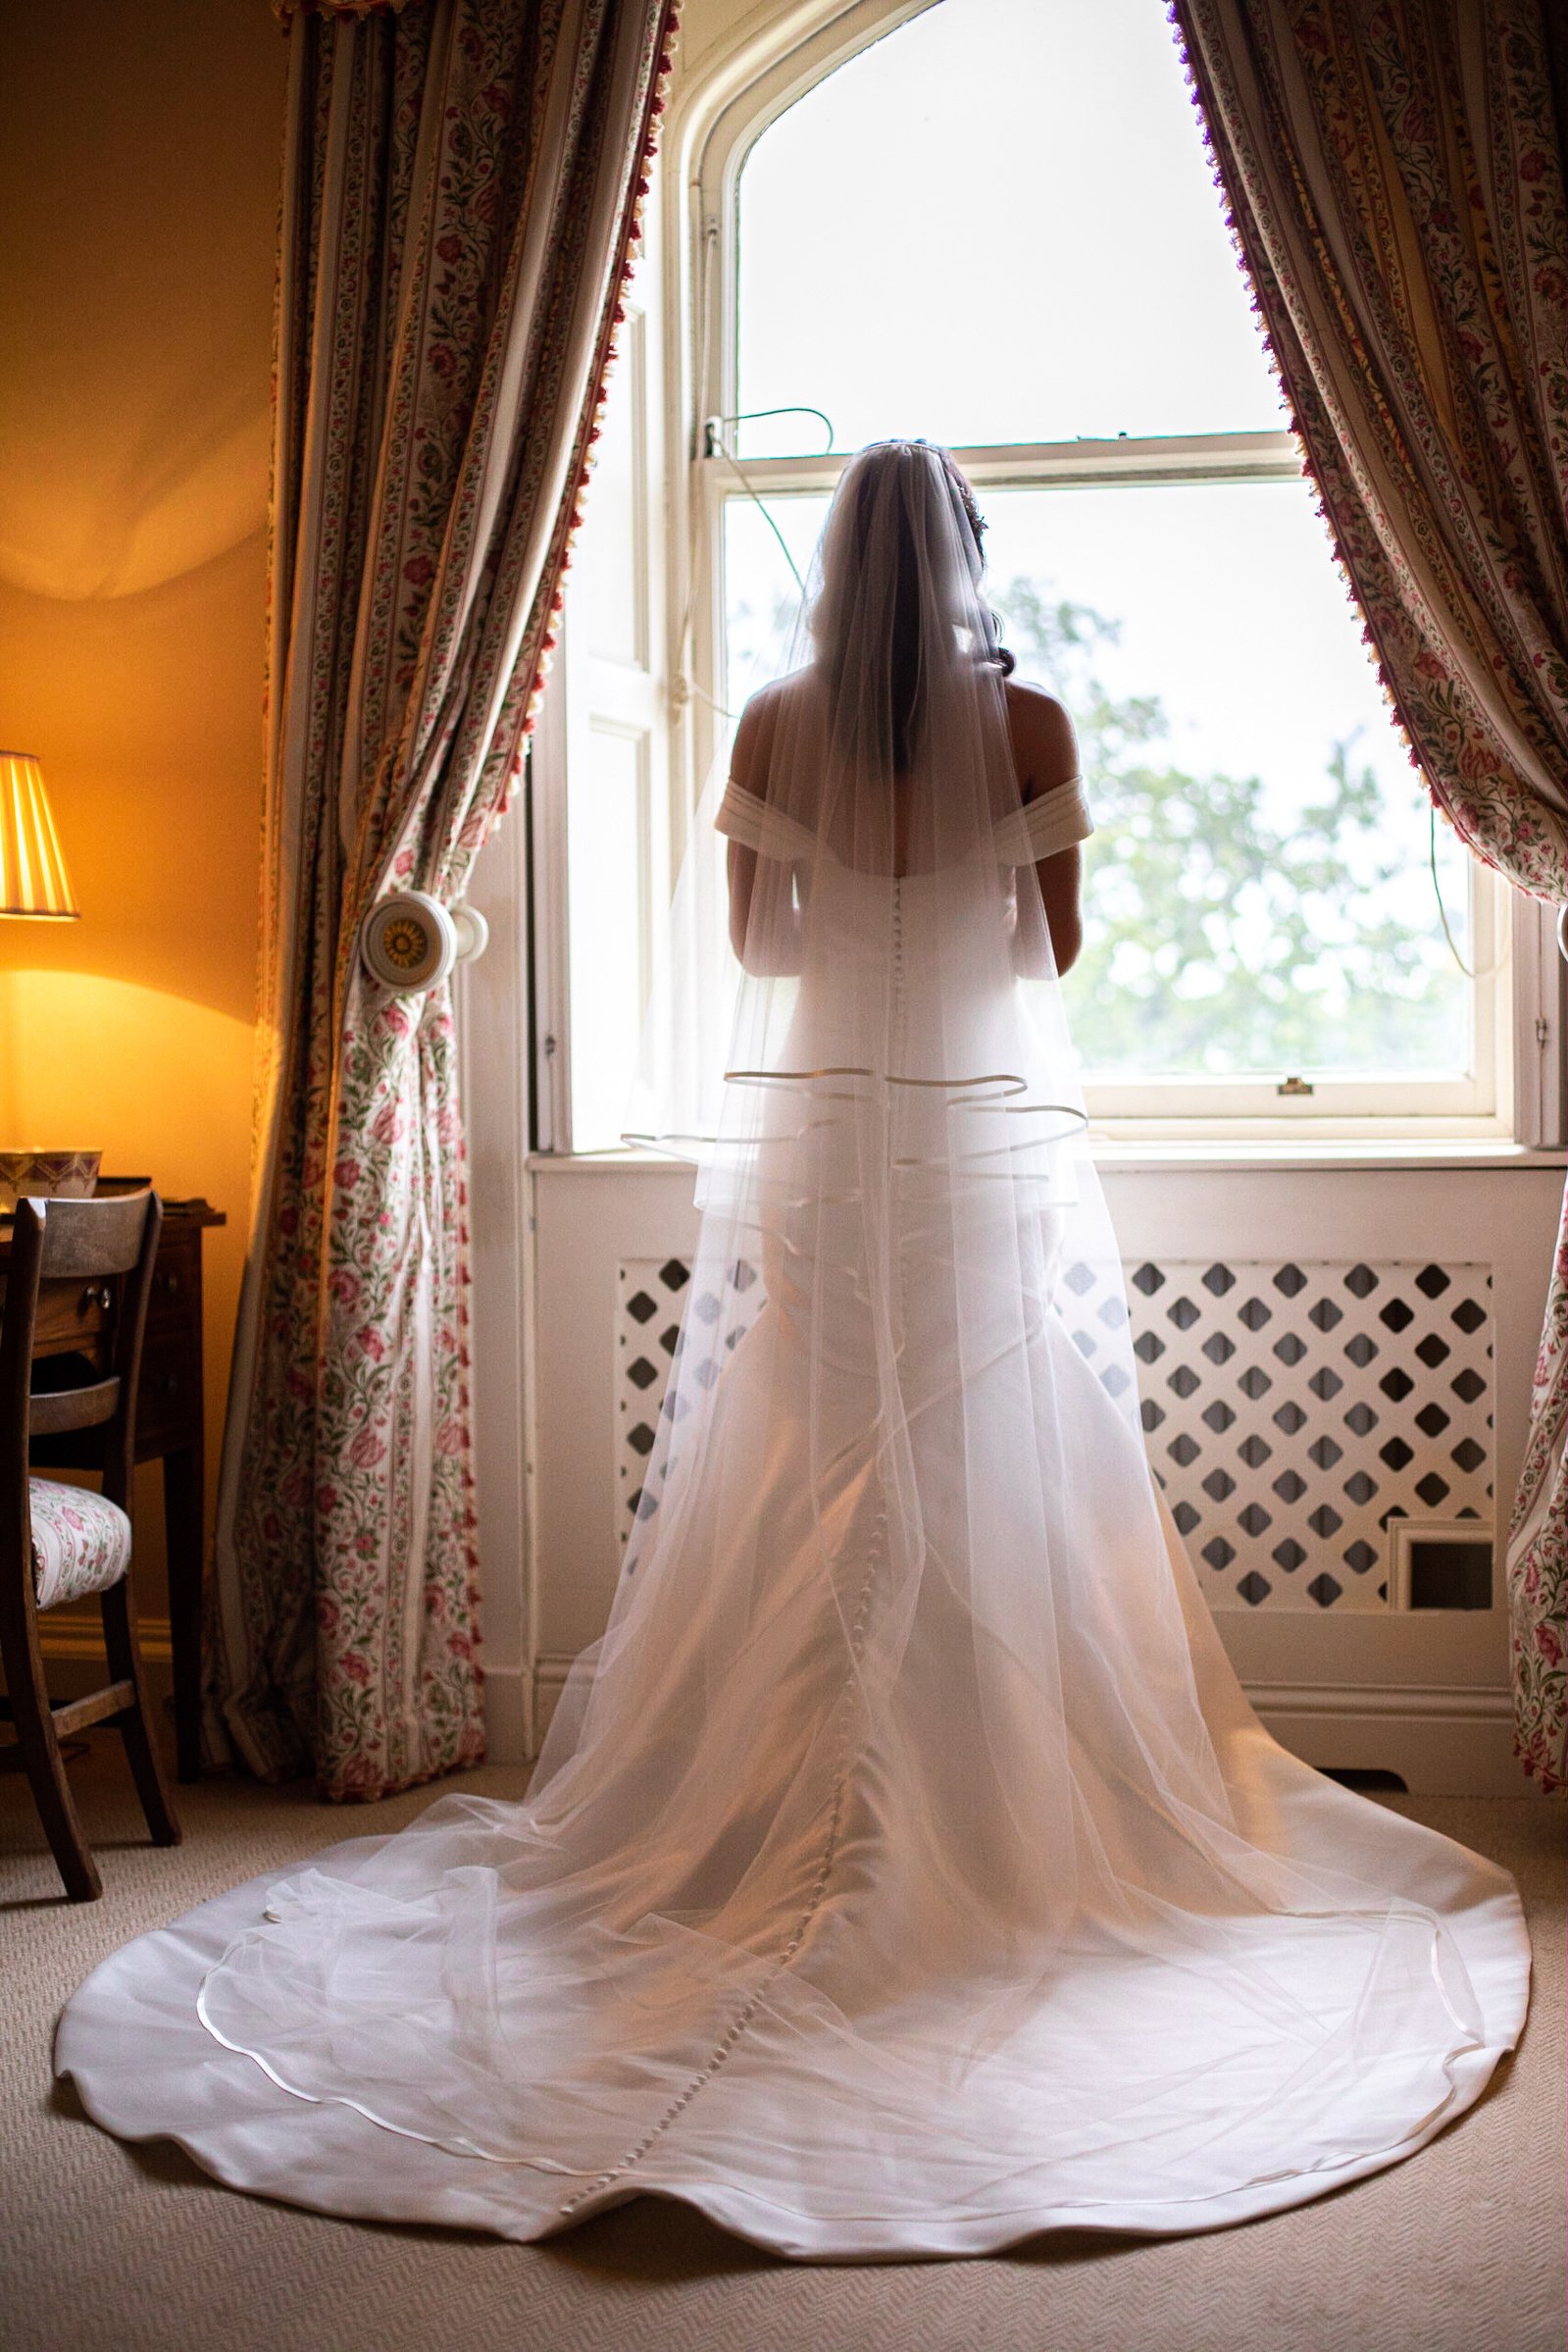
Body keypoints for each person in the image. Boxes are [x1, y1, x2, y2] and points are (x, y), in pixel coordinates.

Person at [57, 442, 1529, 2261]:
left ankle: (757, 1814)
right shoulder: (1042, 723)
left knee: (808, 1456)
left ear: (836, 567)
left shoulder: (768, 717)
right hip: (974, 1151)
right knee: (996, 1464)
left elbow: (761, 939)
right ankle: (997, 1831)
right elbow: (1049, 955)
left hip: (833, 1146)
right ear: (969, 559)